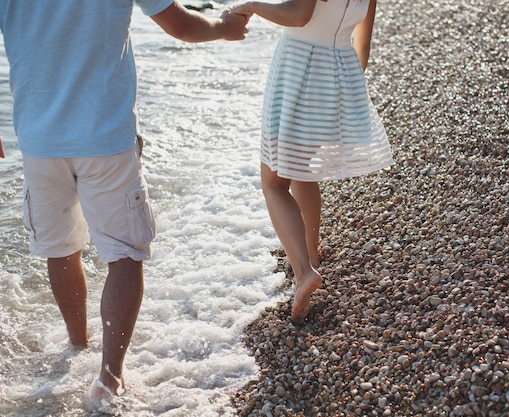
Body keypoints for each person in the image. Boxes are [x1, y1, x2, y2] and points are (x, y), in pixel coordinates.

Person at [0, 0, 247, 409]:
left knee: (60, 249)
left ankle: (77, 345)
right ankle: (109, 377)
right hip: (106, 139)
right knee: (124, 255)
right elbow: (181, 26)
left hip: (39, 142)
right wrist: (222, 27)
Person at [231, 0, 393, 323]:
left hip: (299, 71)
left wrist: (251, 6)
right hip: (337, 75)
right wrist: (344, 93)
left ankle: (304, 271)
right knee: (301, 169)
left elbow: (299, 15)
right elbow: (364, 44)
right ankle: (311, 253)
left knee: (274, 183)